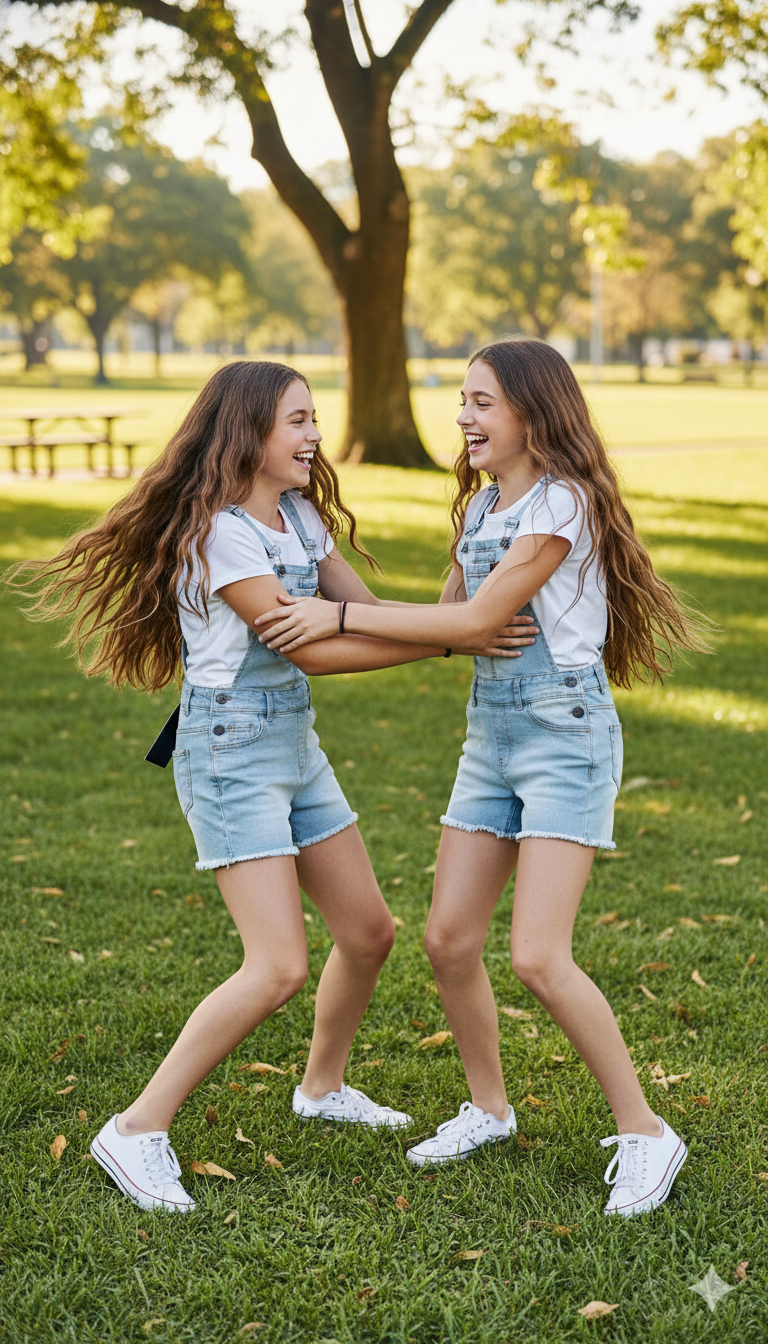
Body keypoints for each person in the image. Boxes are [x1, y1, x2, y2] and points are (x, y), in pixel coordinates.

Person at [8, 359, 535, 1214]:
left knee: (367, 932)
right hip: (229, 752)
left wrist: (452, 614)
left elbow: (363, 611)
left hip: (292, 743)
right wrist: (455, 639)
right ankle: (136, 1129)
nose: (315, 435)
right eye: (297, 420)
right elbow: (313, 648)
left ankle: (321, 1088)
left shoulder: (296, 516)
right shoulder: (220, 533)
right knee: (278, 965)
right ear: (247, 430)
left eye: (314, 417)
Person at [254, 339, 709, 1218]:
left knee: (537, 955)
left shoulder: (563, 503)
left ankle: (648, 1131)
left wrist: (334, 613)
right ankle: (489, 1109)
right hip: (490, 736)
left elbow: (477, 619)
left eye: (482, 402)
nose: (463, 416)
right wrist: (381, 620)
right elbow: (447, 624)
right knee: (450, 941)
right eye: (463, 400)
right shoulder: (486, 506)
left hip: (564, 736)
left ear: (535, 413)